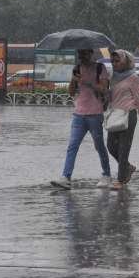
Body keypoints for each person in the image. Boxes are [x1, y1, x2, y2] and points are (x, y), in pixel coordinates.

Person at [51, 48, 112, 190]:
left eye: (84, 53)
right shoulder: (77, 68)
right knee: (72, 146)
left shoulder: (99, 68)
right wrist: (74, 79)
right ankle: (66, 177)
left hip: (95, 114)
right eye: (80, 54)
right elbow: (71, 92)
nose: (81, 56)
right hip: (79, 114)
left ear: (91, 54)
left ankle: (106, 175)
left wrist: (86, 81)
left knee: (99, 146)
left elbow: (103, 89)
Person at [106, 49, 139, 191]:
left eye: (117, 60)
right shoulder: (111, 76)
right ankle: (128, 167)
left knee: (124, 148)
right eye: (112, 61)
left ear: (126, 61)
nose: (114, 63)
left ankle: (120, 179)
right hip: (114, 114)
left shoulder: (133, 78)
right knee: (111, 146)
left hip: (128, 115)